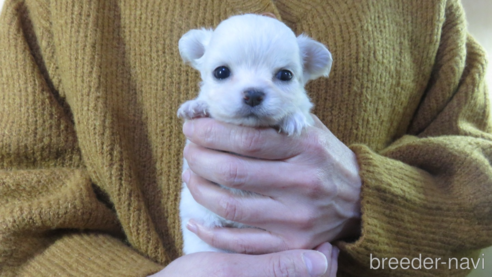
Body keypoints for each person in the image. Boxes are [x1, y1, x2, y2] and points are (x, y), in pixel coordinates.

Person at [0, 0, 490, 276]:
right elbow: (16, 210)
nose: (252, 92)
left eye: (282, 76)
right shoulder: (49, 11)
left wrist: (376, 199)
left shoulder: (430, 12)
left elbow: (479, 171)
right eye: (222, 72)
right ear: (200, 61)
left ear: (306, 69)